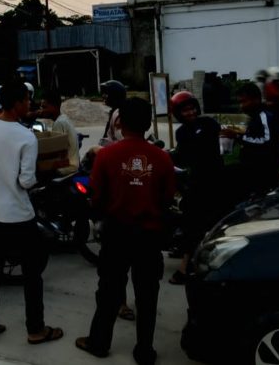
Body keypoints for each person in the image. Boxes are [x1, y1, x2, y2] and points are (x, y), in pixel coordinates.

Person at [75, 97, 175, 365]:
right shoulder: (162, 158)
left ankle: (98, 343)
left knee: (108, 291)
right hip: (150, 235)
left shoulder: (106, 155)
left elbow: (96, 198)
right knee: (147, 295)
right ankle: (145, 350)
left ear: (119, 122)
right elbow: (167, 198)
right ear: (147, 123)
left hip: (117, 233)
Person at [0, 79, 63, 345]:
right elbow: (25, 181)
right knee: (32, 276)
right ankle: (36, 329)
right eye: (27, 100)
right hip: (20, 218)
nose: (30, 104)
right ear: (18, 103)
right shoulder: (26, 137)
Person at [168, 91, 224, 285]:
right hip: (197, 178)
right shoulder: (181, 132)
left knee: (193, 223)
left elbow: (199, 149)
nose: (190, 112)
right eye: (185, 110)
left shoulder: (208, 124)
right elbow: (183, 155)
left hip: (211, 180)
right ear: (178, 113)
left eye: (192, 108)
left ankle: (185, 267)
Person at [97, 79, 135, 321]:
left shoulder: (120, 115)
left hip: (120, 181)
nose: (104, 99)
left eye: (106, 94)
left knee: (117, 258)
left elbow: (122, 144)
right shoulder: (116, 112)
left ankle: (120, 303)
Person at [222, 82, 279, 200]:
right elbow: (253, 136)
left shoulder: (264, 116)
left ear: (256, 100)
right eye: (239, 102)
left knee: (227, 178)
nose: (241, 106)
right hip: (252, 165)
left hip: (262, 168)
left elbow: (266, 141)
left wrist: (238, 137)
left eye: (244, 102)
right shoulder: (255, 116)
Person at [39, 90, 80, 170]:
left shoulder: (59, 123)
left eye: (44, 107)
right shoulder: (64, 118)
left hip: (69, 167)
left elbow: (57, 152)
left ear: (55, 106)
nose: (42, 110)